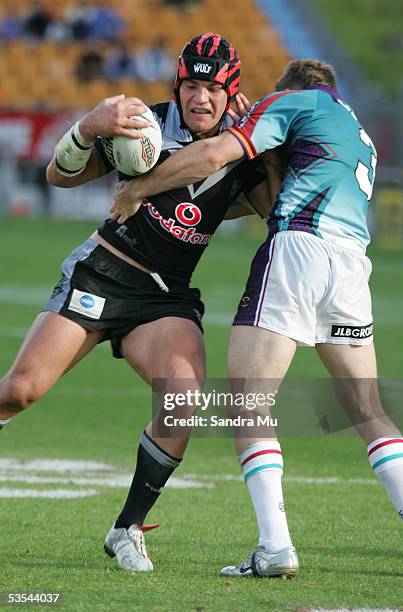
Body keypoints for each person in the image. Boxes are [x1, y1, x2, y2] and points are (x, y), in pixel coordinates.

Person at [110, 58, 403, 578]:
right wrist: (266, 150)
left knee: (248, 403)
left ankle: (275, 549)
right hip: (352, 264)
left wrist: (139, 188)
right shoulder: (356, 129)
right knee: (368, 409)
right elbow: (274, 188)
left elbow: (216, 154)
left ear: (289, 88)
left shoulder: (290, 101)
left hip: (299, 251)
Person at [0, 33, 272, 574]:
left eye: (213, 89)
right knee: (21, 390)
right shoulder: (141, 124)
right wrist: (85, 129)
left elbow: (277, 211)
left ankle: (126, 530)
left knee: (182, 403)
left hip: (165, 296)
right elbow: (59, 175)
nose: (200, 99)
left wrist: (270, 142)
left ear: (231, 92)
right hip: (103, 273)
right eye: (191, 85)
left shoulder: (245, 150)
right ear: (178, 84)